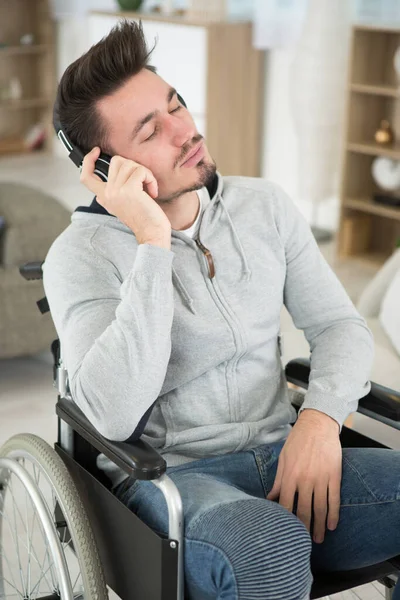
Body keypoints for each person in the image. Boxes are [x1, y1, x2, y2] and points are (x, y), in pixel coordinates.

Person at [44, 19, 400, 600]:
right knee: (270, 545)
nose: (185, 131)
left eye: (176, 104)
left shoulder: (264, 207)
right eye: (151, 131)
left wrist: (321, 420)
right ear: (108, 170)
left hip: (287, 453)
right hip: (174, 483)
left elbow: (339, 326)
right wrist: (151, 242)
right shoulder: (78, 257)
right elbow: (107, 416)